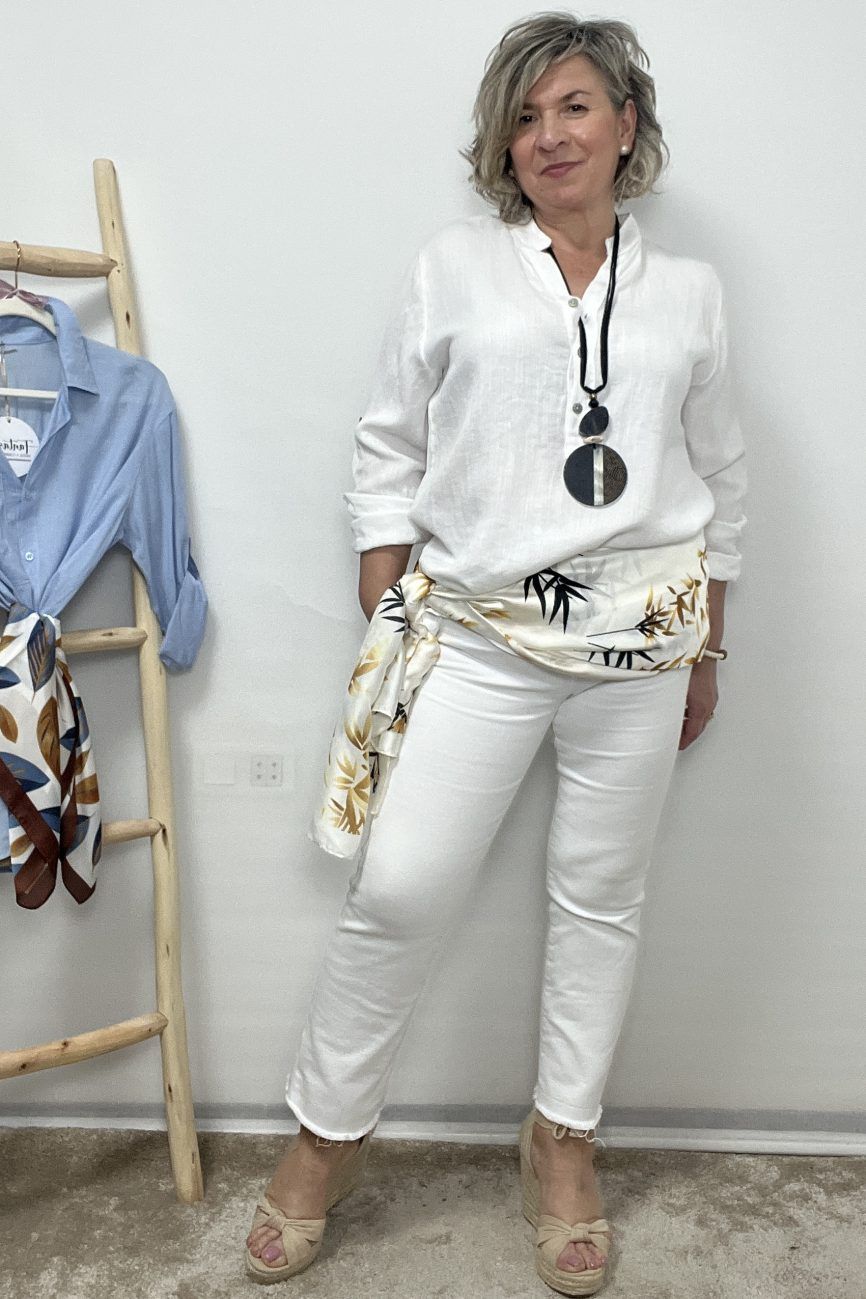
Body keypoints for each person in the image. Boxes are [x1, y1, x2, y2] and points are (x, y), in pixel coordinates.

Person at [245, 10, 747, 1295]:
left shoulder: (688, 292)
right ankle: (323, 1139)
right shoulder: (454, 268)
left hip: (641, 646)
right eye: (524, 117)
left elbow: (720, 470)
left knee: (599, 897)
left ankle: (561, 1143)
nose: (547, 136)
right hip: (477, 633)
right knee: (400, 889)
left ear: (625, 123)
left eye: (573, 106)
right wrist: (386, 598)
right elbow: (387, 442)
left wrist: (706, 641)